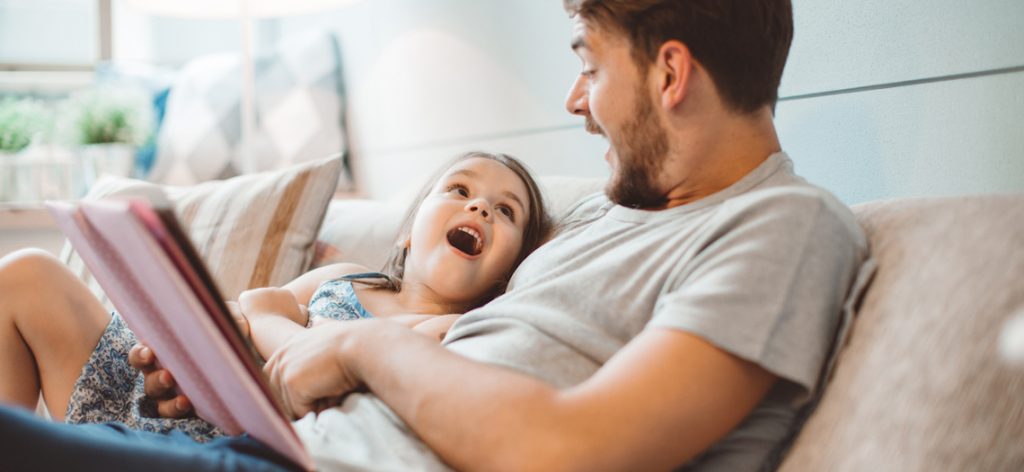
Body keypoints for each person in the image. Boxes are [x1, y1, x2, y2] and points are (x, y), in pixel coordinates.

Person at [0, 1, 871, 470]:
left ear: (670, 73)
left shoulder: (786, 227)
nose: (575, 102)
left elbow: (562, 449)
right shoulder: (616, 213)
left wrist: (356, 353)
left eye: (588, 66)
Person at [0, 151, 552, 441]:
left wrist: (269, 317)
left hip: (224, 444)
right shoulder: (348, 278)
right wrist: (186, 346)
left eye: (506, 211)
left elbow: (290, 326)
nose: (479, 208)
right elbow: (251, 308)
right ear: (408, 231)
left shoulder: (452, 333)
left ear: (510, 271)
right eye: (459, 189)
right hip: (173, 399)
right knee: (26, 273)